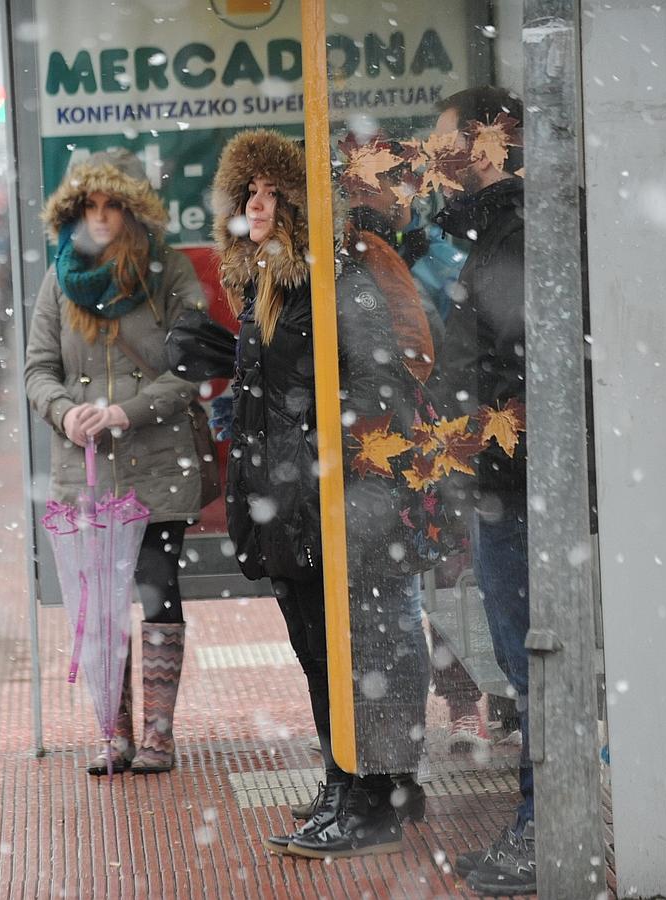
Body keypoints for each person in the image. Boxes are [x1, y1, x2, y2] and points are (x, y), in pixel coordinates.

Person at [205, 129, 431, 860]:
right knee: (315, 649)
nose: (257, 204)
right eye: (249, 192)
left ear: (300, 205)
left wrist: (332, 469)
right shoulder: (264, 283)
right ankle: (344, 786)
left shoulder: (333, 281)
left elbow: (375, 385)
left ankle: (367, 794)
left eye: (272, 192)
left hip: (330, 500)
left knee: (350, 649)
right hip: (286, 499)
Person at [24, 148, 208, 776]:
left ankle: (157, 733)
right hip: (88, 469)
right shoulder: (59, 279)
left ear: (134, 209)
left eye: (112, 204)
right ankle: (114, 729)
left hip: (155, 459)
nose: (100, 218)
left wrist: (128, 411)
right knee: (100, 601)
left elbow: (193, 367)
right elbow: (37, 369)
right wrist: (63, 410)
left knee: (157, 588)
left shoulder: (170, 272)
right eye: (89, 205)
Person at [346, 159, 493, 755]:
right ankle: (442, 705)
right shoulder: (362, 257)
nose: (390, 198)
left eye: (392, 186)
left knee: (454, 580)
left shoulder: (437, 254)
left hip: (440, 435)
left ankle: (470, 703)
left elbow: (445, 342)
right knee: (419, 583)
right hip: (405, 437)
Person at [429, 86, 536, 896]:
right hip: (506, 482)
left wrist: (471, 437)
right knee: (520, 654)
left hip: (520, 485)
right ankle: (540, 818)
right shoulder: (493, 228)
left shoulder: (515, 230)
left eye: (444, 143)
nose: (434, 161)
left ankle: (545, 826)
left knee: (533, 659)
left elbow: (518, 362)